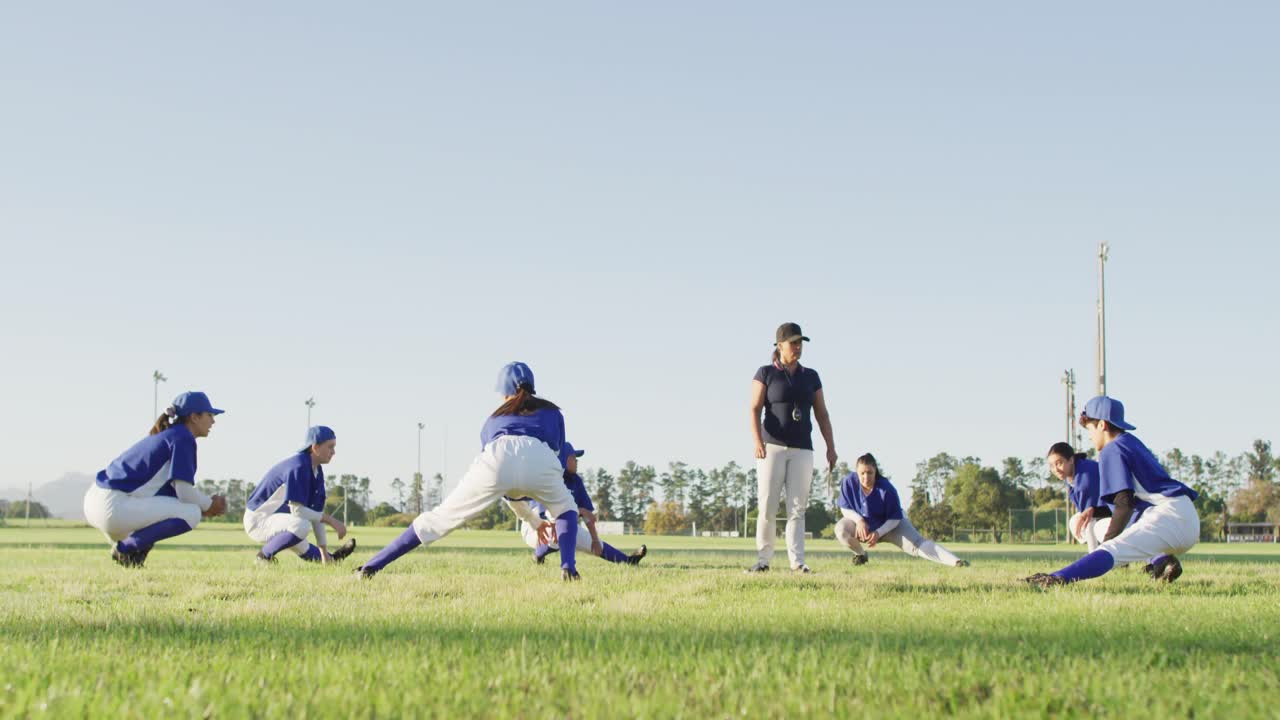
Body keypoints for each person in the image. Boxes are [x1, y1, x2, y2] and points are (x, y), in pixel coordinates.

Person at [357, 362, 584, 580]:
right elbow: (555, 455)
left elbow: (507, 483)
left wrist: (531, 519)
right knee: (566, 509)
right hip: (540, 457)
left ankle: (371, 566)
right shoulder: (553, 413)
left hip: (496, 457)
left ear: (505, 392)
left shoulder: (493, 418)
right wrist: (539, 512)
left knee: (439, 519)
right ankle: (568, 568)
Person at [1025, 396, 1199, 588]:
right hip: (1179, 513)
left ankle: (1057, 578)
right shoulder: (1129, 441)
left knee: (1111, 547)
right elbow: (1130, 500)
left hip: (1169, 517)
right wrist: (1096, 511)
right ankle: (1160, 563)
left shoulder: (1112, 448)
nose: (1089, 436)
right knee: (1101, 527)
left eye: (1089, 428)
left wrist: (1107, 545)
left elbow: (1124, 504)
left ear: (1102, 425)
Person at [83, 391, 228, 567]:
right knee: (192, 513)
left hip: (97, 501)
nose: (213, 421)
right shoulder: (183, 438)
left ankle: (131, 555)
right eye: (209, 414)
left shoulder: (170, 434)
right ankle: (125, 548)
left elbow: (171, 495)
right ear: (194, 417)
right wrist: (208, 504)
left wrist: (203, 504)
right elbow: (185, 493)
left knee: (182, 509)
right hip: (114, 507)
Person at [747, 322, 837, 574]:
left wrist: (830, 447)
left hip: (802, 449)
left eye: (800, 343)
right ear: (779, 345)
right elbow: (754, 409)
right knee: (768, 505)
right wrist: (757, 442)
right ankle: (763, 560)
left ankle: (797, 562)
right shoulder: (765, 373)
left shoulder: (811, 376)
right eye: (793, 343)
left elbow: (822, 414)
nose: (797, 347)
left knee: (798, 507)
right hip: (771, 447)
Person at [507, 442, 647, 566]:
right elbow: (547, 513)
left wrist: (595, 540)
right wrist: (577, 510)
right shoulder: (548, 478)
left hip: (565, 526)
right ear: (564, 460)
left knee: (589, 542)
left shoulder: (576, 481)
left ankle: (629, 561)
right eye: (573, 458)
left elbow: (588, 515)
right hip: (536, 527)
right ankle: (538, 555)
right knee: (557, 530)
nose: (577, 461)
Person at [244, 425, 356, 564]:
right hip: (258, 521)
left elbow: (316, 513)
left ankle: (331, 560)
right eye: (330, 447)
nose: (333, 452)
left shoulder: (316, 470)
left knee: (302, 540)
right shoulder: (298, 467)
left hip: (279, 520)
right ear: (315, 447)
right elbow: (297, 511)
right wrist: (331, 521)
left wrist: (323, 552)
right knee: (301, 526)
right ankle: (262, 558)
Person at [833, 453, 968, 567]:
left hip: (890, 525)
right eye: (862, 473)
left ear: (876, 471)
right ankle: (861, 555)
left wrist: (879, 533)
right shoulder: (849, 482)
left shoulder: (887, 489)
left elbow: (895, 518)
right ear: (856, 472)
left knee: (917, 544)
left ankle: (956, 562)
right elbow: (845, 508)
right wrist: (860, 521)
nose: (866, 477)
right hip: (861, 526)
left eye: (870, 473)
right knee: (841, 530)